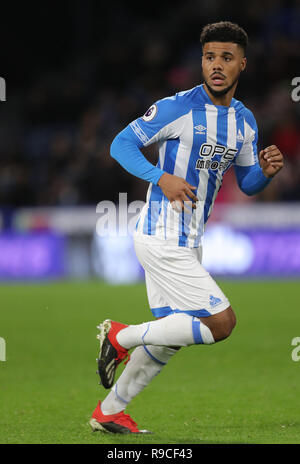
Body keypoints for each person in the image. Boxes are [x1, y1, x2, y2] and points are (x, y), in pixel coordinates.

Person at [89, 21, 284, 434]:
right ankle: (120, 337)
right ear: (202, 61)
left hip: (190, 241)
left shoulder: (244, 121)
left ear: (242, 65)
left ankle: (107, 412)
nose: (216, 65)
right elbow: (120, 144)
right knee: (221, 323)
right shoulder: (177, 107)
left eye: (226, 58)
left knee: (168, 339)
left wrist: (265, 173)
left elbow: (247, 184)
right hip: (160, 235)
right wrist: (161, 177)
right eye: (210, 56)